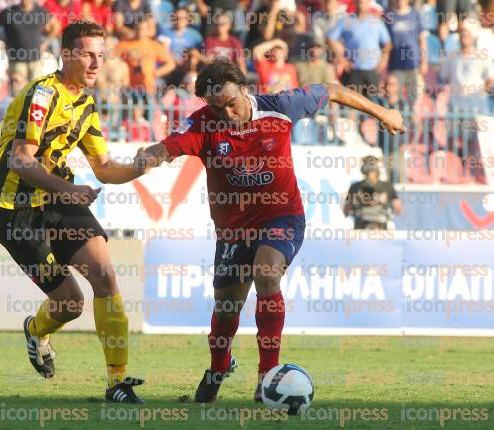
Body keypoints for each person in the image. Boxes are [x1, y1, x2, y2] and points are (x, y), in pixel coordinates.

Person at [136, 59, 405, 405]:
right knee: (227, 308)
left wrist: (382, 113)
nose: (227, 114)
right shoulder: (203, 124)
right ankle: (218, 368)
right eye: (217, 108)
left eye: (231, 103)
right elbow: (167, 147)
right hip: (234, 231)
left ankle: (268, 377)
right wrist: (149, 157)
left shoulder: (280, 107)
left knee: (266, 273)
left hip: (282, 215)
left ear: (245, 90)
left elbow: (333, 90)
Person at [0, 21, 148, 404]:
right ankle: (36, 329)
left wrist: (142, 166)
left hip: (58, 201)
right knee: (70, 304)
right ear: (68, 54)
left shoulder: (86, 105)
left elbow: (104, 168)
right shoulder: (43, 94)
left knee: (105, 277)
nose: (97, 63)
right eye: (89, 55)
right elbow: (22, 161)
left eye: (101, 55)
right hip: (16, 211)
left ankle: (117, 384)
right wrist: (70, 190)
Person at [327, 0, 392, 97]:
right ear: (355, 3)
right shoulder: (346, 21)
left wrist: (384, 61)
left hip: (372, 71)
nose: (362, 3)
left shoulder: (376, 22)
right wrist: (342, 60)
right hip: (353, 71)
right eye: (359, 2)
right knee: (351, 105)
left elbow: (388, 44)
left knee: (372, 105)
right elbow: (330, 39)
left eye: (364, 2)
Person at [0, 0, 60, 82]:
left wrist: (45, 43)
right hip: (16, 61)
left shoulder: (40, 12)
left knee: (35, 91)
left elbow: (56, 26)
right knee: (18, 91)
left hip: (36, 60)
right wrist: (2, 38)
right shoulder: (10, 12)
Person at [384, 0, 428, 102]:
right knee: (393, 100)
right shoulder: (388, 16)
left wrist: (424, 61)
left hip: (413, 65)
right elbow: (384, 42)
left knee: (416, 99)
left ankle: (414, 118)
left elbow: (422, 40)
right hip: (395, 66)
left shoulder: (415, 15)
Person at [343, 155, 402, 229]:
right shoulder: (356, 187)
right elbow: (398, 209)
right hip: (363, 225)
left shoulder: (355, 186)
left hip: (378, 225)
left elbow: (398, 209)